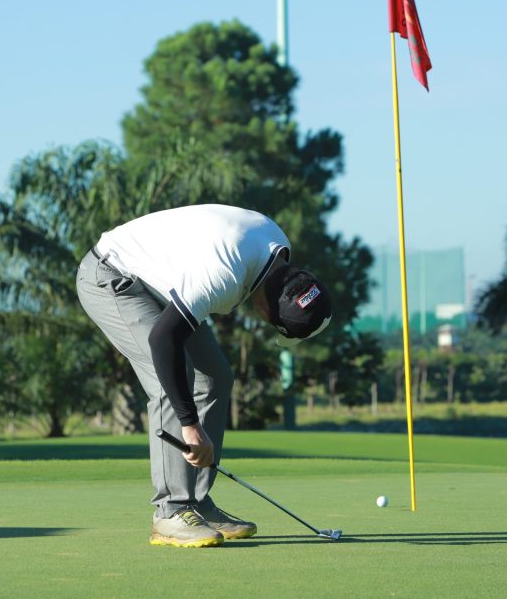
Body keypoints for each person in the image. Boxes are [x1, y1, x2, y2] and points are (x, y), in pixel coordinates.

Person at [75, 204, 333, 548]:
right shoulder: (224, 276)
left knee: (214, 378)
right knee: (168, 379)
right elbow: (163, 340)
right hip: (112, 275)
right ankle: (171, 511)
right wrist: (190, 425)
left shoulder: (276, 247)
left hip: (159, 280)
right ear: (266, 310)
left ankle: (196, 503)